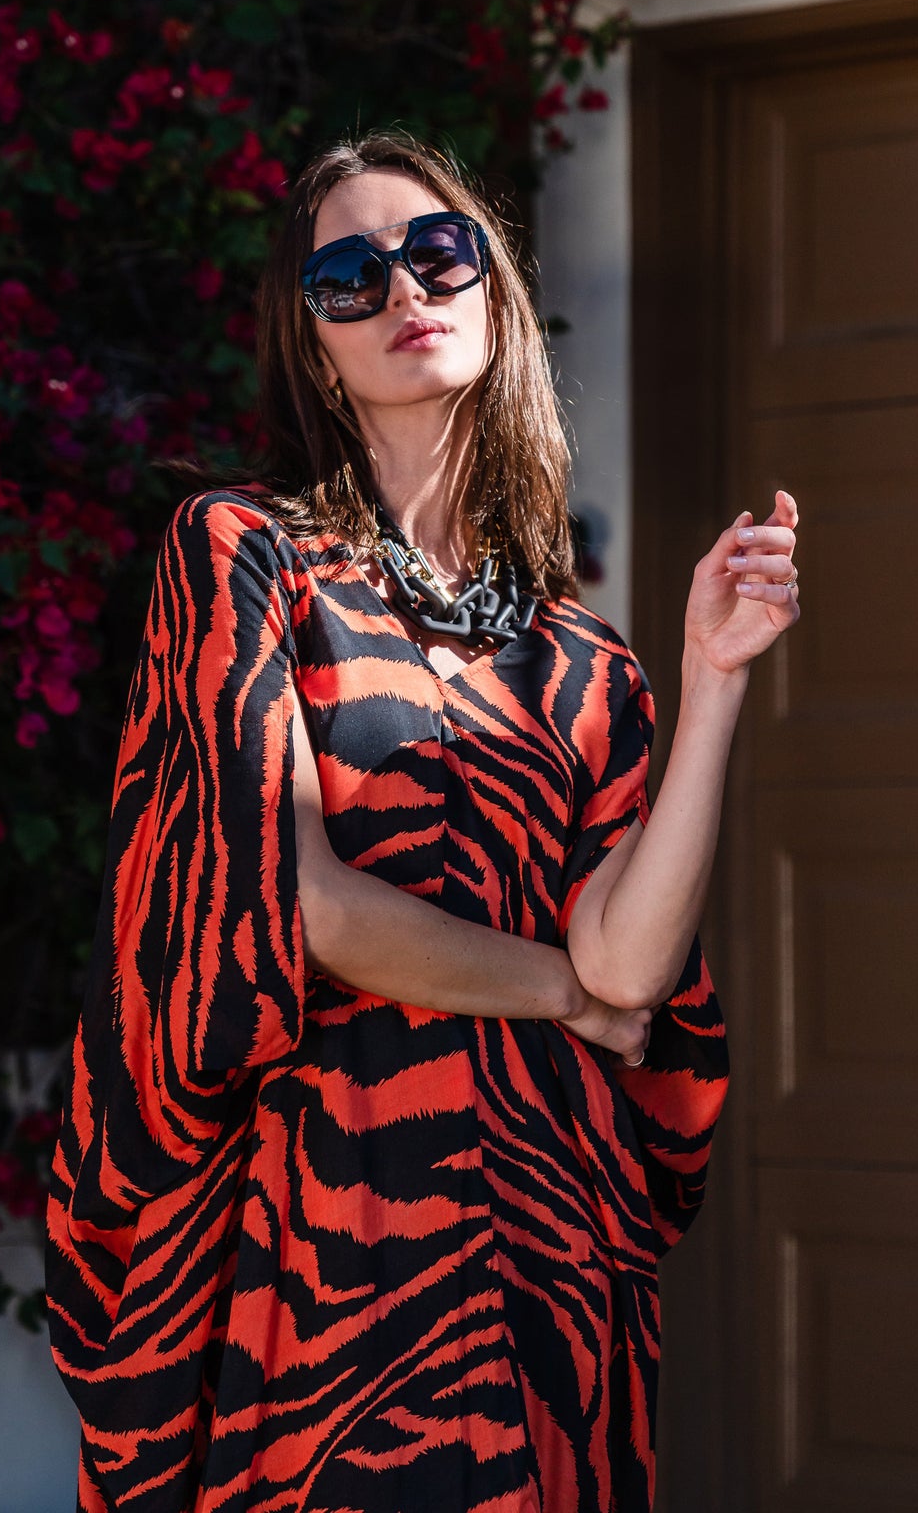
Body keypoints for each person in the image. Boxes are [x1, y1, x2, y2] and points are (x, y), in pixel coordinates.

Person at [44, 130, 800, 1513]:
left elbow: (634, 964)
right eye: (349, 276)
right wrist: (562, 996)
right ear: (313, 343)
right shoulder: (243, 556)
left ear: (494, 292)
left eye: (439, 252)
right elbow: (307, 908)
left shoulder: (584, 658)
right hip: (341, 1232)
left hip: (558, 1244)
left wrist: (710, 683)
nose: (404, 289)